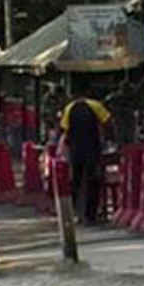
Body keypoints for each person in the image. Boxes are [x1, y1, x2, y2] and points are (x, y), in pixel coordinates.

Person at [59, 94, 111, 225]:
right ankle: (90, 215)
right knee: (92, 181)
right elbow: (107, 123)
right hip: (92, 149)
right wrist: (109, 141)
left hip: (75, 151)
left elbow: (65, 130)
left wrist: (63, 150)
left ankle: (76, 213)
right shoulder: (96, 105)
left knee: (75, 181)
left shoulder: (69, 108)